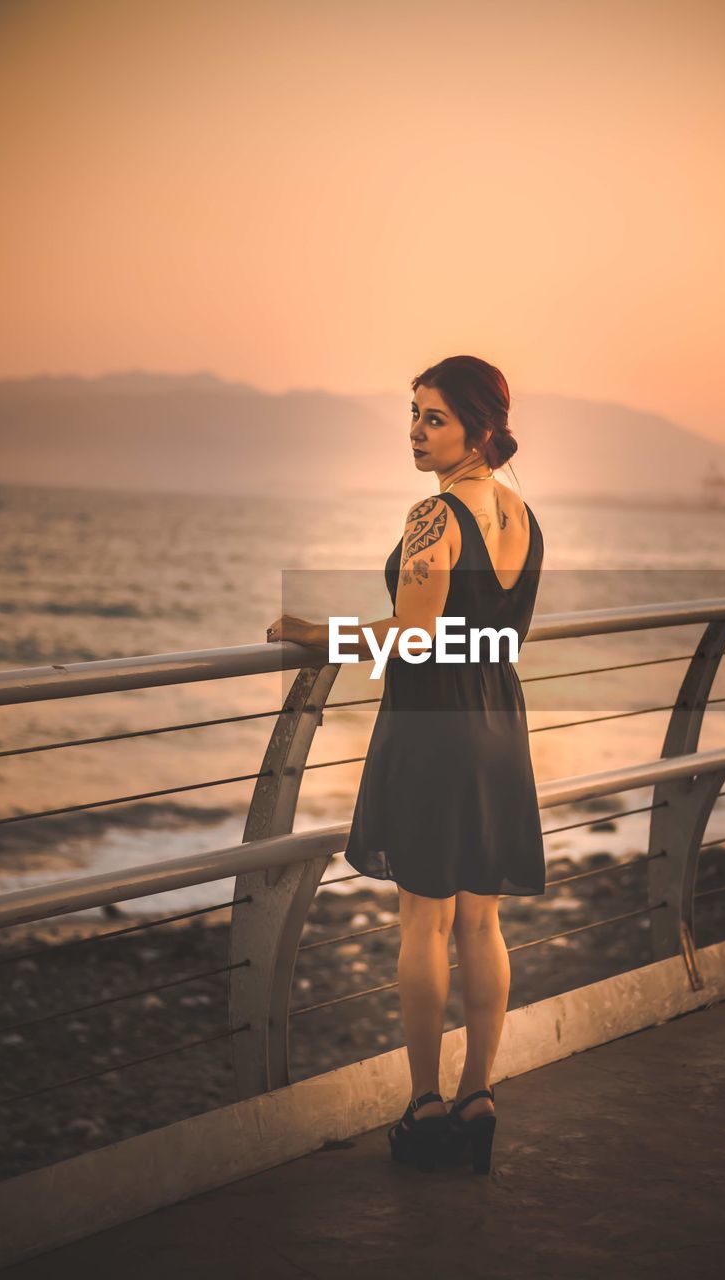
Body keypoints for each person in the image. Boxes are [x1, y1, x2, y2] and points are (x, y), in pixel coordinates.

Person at [265, 354, 546, 1174]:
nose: (416, 433)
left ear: (480, 430)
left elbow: (415, 636)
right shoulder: (523, 516)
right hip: (497, 715)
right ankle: (480, 1096)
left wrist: (316, 635)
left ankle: (425, 1107)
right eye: (413, 414)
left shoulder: (433, 514)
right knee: (482, 920)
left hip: (432, 722)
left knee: (424, 921)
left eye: (434, 418)